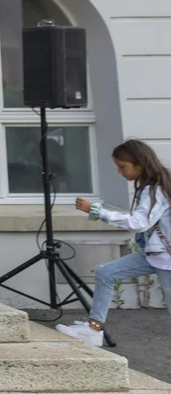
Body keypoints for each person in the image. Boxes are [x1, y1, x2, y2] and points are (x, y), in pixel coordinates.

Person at [57, 139, 171, 346]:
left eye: (122, 167)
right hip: (156, 254)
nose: (120, 172)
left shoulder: (154, 189)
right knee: (106, 272)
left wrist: (97, 211)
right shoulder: (157, 185)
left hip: (165, 258)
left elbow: (139, 223)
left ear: (140, 164)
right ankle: (93, 329)